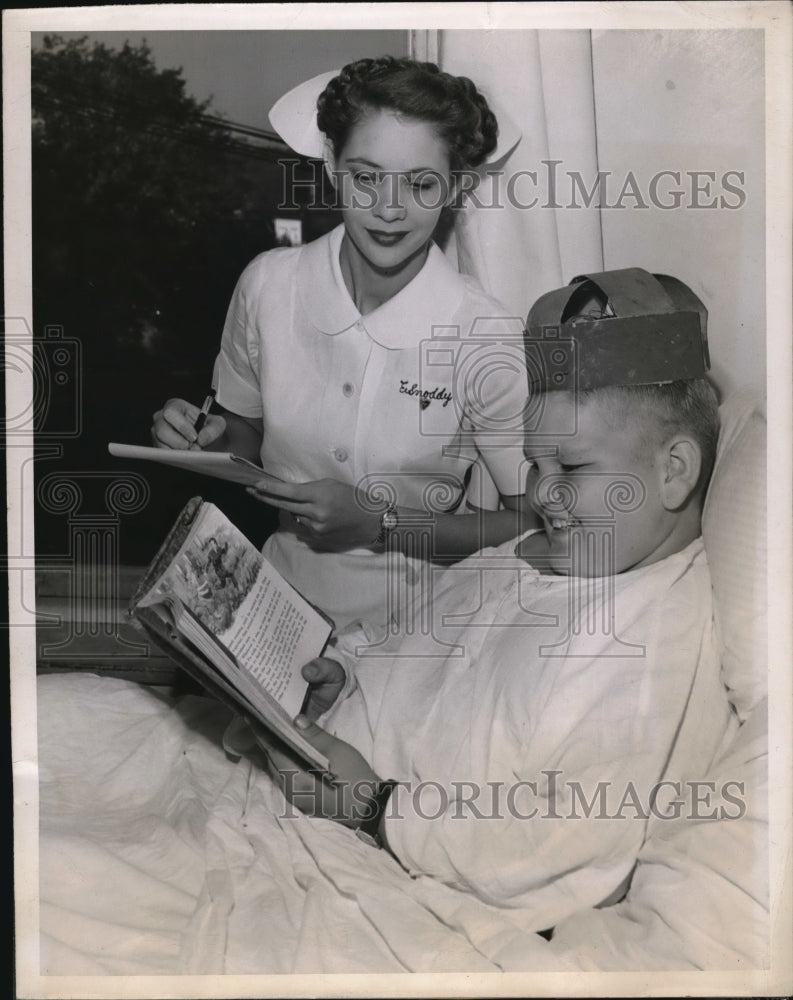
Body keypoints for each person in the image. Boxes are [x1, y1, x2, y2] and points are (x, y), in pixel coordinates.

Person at [253, 268, 736, 930]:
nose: (540, 493)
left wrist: (371, 806)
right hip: (308, 790)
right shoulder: (535, 554)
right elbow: (415, 655)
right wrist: (345, 681)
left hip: (370, 849)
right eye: (536, 466)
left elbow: (553, 845)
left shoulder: (652, 641)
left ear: (673, 470)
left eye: (571, 468)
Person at [151, 56, 533, 630]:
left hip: (426, 626)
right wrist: (205, 437)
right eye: (366, 175)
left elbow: (533, 522)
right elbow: (246, 441)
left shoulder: (485, 333)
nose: (388, 208)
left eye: (421, 183)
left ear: (455, 186)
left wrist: (383, 524)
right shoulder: (268, 285)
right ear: (331, 163)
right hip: (274, 611)